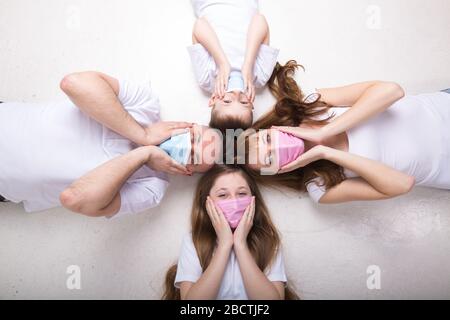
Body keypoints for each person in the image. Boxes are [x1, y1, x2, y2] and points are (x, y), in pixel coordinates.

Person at [0, 71, 222, 217]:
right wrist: (142, 135)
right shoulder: (145, 103)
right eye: (193, 138)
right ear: (189, 125)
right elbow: (72, 84)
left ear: (186, 172)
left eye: (192, 156)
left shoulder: (151, 188)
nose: (186, 146)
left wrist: (144, 154)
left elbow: (74, 199)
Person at [239, 60, 450, 204]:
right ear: (278, 171)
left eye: (267, 138)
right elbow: (404, 184)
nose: (276, 146)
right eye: (269, 157)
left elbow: (392, 91)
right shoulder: (320, 188)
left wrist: (325, 132)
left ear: (272, 128)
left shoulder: (314, 105)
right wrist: (325, 152)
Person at [163, 165, 298, 300]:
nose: (234, 202)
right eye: (223, 195)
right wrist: (224, 244)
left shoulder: (268, 240)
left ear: (253, 199)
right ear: (207, 202)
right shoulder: (194, 241)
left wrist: (240, 244)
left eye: (242, 194)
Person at [188, 0, 279, 130]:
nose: (237, 95)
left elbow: (199, 25)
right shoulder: (259, 77)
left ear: (213, 99)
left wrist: (223, 64)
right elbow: (260, 20)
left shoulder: (207, 79)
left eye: (227, 101)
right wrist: (248, 65)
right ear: (252, 103)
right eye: (243, 102)